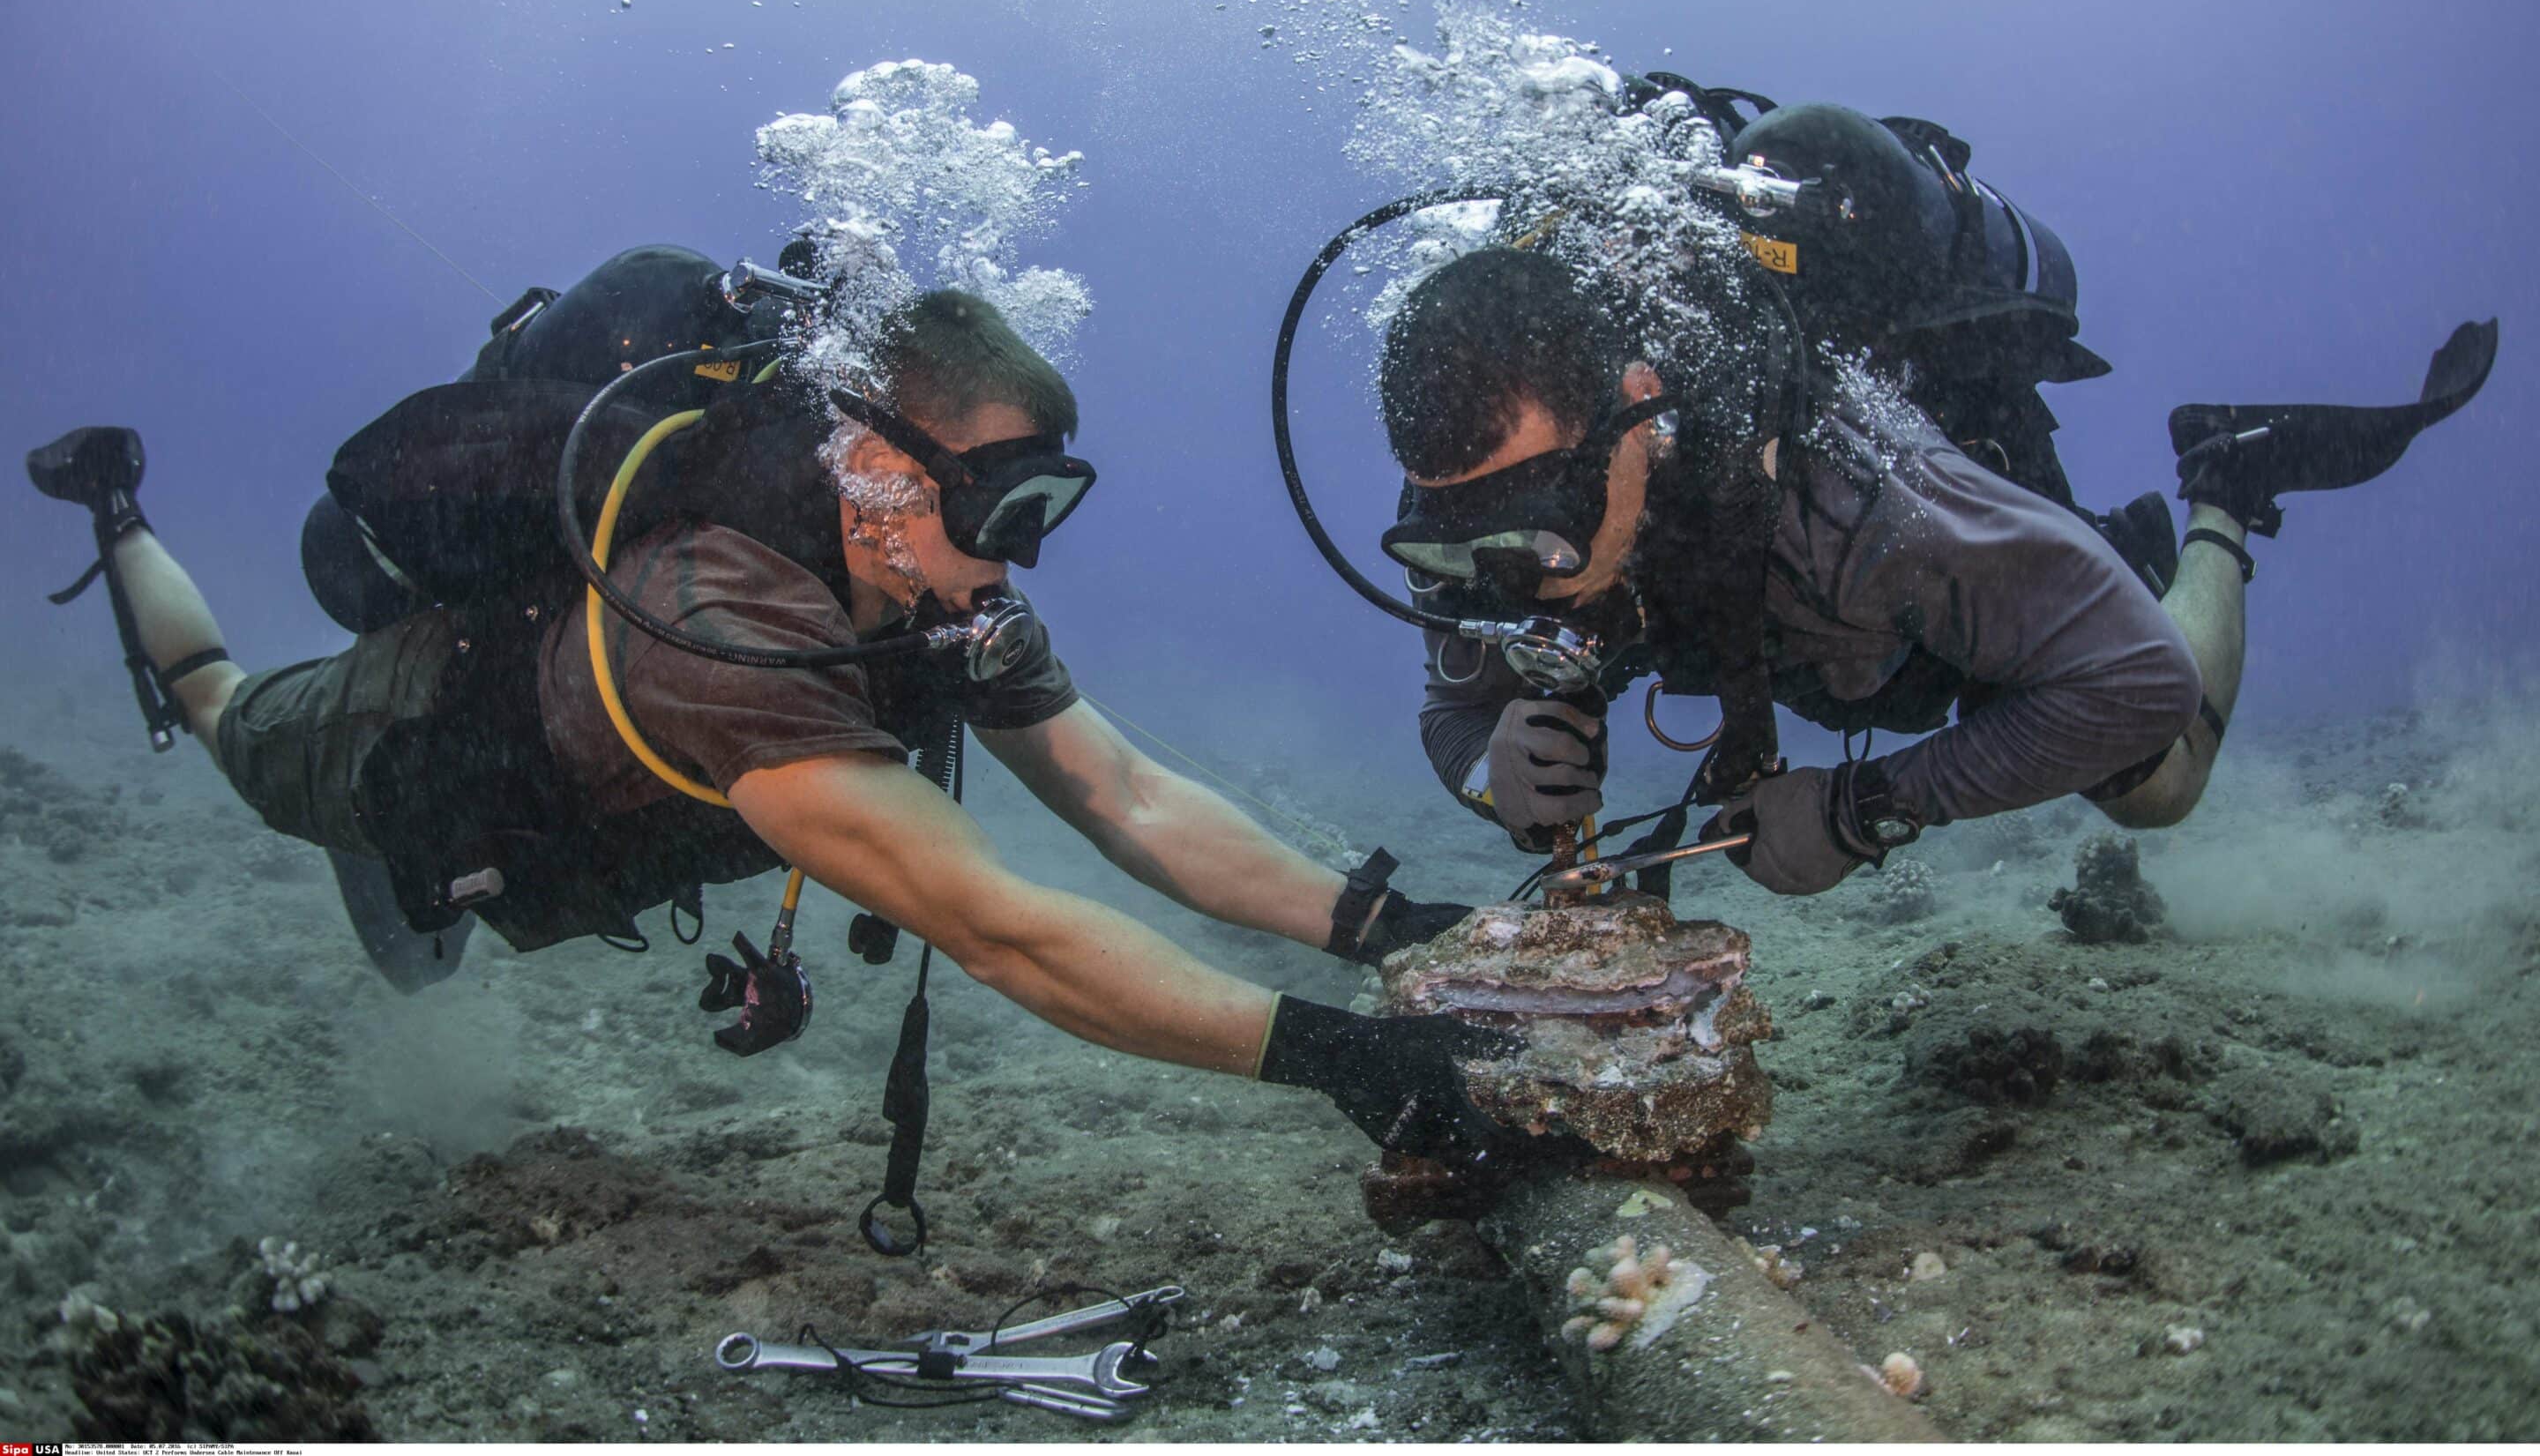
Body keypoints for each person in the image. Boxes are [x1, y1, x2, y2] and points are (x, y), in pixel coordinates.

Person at [26, 263, 1506, 1171]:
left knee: (423, 945)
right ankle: (117, 509)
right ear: (870, 463)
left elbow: (1123, 796)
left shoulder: (937, 593)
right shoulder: (719, 620)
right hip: (399, 737)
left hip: (572, 836)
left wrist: (1387, 925)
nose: (1018, 553)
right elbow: (995, 922)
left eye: (1047, 505)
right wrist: (1348, 1061)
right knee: (223, 713)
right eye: (997, 503)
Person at [1357, 100, 2497, 895]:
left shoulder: (1867, 489)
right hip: (1784, 597)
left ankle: (2224, 485)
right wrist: (1481, 765)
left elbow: (2138, 686)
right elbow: (1456, 705)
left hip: (1915, 569)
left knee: (2161, 790)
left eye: (1536, 535)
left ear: (1640, 415)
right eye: (1457, 545)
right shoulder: (1471, 494)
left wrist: (1869, 808)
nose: (1506, 582)